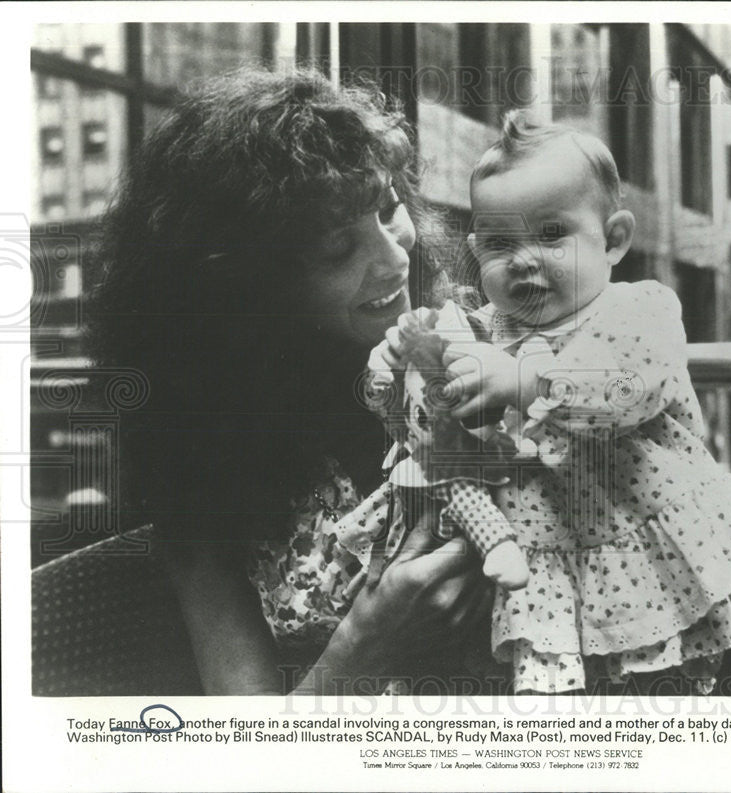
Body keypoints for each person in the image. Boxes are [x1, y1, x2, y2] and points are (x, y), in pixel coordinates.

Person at [89, 69, 495, 695]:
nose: (394, 258)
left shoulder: (479, 352)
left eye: (390, 210)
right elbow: (247, 744)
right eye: (337, 250)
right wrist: (367, 649)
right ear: (247, 291)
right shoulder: (196, 467)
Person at [393, 112, 731, 693]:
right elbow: (443, 412)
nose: (522, 260)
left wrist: (522, 380)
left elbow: (626, 390)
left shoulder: (639, 310)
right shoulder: (483, 325)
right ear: (475, 250)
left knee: (646, 683)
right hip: (529, 558)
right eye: (499, 243)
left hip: (634, 543)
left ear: (614, 239)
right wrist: (422, 365)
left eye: (550, 235)